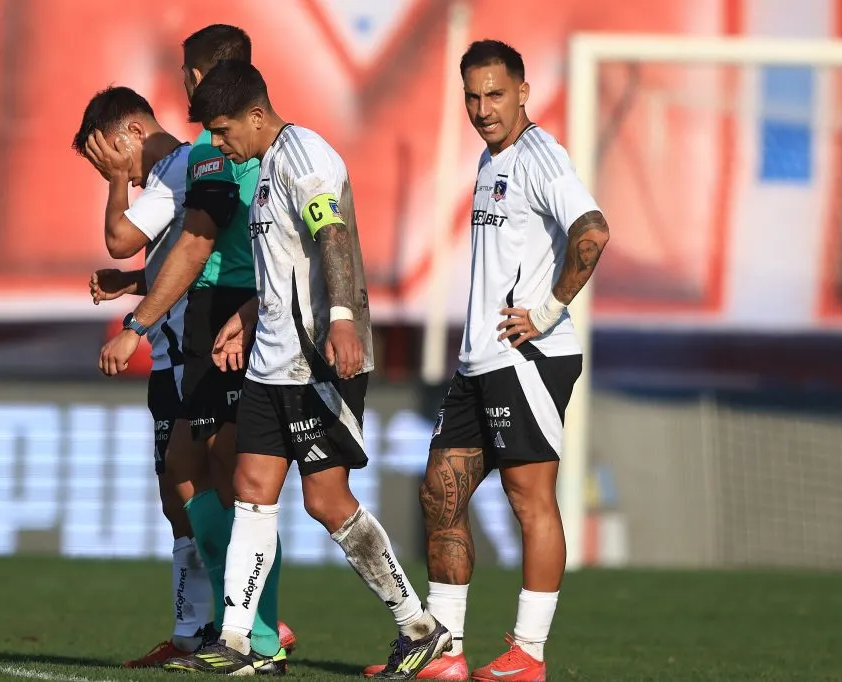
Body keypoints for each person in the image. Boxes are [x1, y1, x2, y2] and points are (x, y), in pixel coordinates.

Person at [164, 59, 451, 679]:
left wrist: (343, 318)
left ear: (257, 115)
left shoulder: (305, 157)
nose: (217, 142)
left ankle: (417, 625)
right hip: (272, 363)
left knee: (328, 501)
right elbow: (285, 268)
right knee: (251, 489)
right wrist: (246, 314)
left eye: (222, 129)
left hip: (319, 364)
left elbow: (335, 238)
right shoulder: (264, 168)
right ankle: (240, 641)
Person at [367, 40, 611, 682]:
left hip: (529, 358)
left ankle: (528, 654)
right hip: (480, 362)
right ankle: (443, 653)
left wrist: (549, 312)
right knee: (439, 494)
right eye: (472, 96)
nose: (482, 108)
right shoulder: (488, 157)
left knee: (529, 497)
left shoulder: (541, 156)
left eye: (495, 94)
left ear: (523, 91)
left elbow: (593, 230)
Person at [93, 26, 294, 672]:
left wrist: (138, 323)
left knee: (244, 483)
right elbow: (183, 241)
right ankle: (226, 624)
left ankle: (258, 629)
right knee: (186, 473)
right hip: (219, 307)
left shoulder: (211, 149)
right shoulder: (223, 144)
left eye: (187, 74)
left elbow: (199, 239)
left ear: (199, 75)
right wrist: (141, 289)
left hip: (229, 307)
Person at [71, 85, 214, 667]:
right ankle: (191, 632)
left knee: (201, 491)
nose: (124, 179)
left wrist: (113, 186)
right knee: (178, 497)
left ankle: (245, 622)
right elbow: (168, 259)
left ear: (132, 132)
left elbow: (121, 237)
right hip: (170, 353)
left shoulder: (178, 169)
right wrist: (132, 283)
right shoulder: (175, 176)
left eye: (116, 161)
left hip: (190, 355)